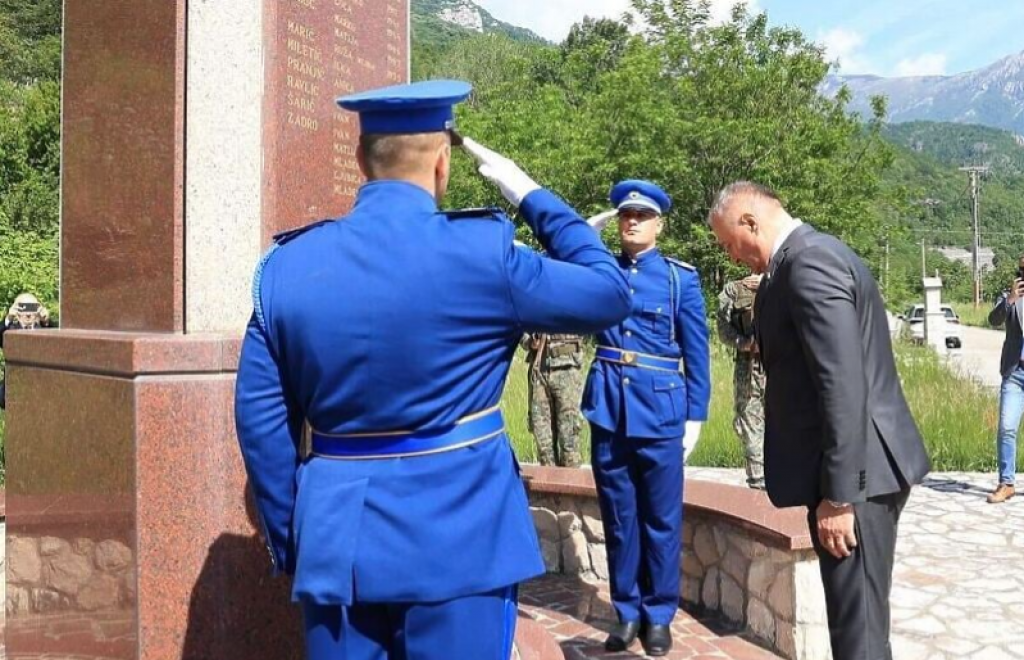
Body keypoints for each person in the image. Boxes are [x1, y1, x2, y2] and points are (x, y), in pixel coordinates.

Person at [233, 80, 632, 660]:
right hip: (462, 534)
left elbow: (260, 422)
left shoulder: (285, 267)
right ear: (443, 163)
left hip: (338, 537)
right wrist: (531, 195)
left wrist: (299, 534)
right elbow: (609, 292)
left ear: (359, 158)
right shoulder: (484, 255)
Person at [707, 181, 931, 660]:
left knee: (860, 637)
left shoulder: (808, 263)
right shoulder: (794, 263)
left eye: (730, 243)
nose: (733, 256)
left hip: (860, 480)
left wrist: (838, 496)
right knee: (857, 627)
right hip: (855, 474)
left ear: (750, 221)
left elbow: (842, 384)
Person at [581, 180, 711, 657]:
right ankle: (626, 612)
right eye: (624, 215)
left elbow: (697, 353)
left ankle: (659, 614)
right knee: (619, 518)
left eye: (641, 215)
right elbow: (561, 272)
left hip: (661, 414)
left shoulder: (680, 279)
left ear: (659, 223)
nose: (632, 222)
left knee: (660, 518)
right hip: (610, 411)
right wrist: (581, 231)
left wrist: (696, 414)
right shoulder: (602, 270)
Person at [716, 274, 766, 489]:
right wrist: (745, 343)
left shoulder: (788, 280)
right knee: (748, 424)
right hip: (749, 369)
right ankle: (757, 482)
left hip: (785, 367)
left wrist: (768, 282)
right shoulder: (733, 290)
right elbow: (723, 328)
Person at [985, 253, 1024, 503]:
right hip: (1015, 373)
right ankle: (1006, 482)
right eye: (1022, 269)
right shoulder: (1010, 295)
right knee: (1007, 427)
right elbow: (993, 320)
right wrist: (1010, 299)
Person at [522, 332, 585, 467]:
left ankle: (571, 486)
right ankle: (548, 486)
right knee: (543, 444)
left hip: (567, 367)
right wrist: (529, 342)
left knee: (569, 441)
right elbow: (517, 322)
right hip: (539, 369)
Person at [0, 293, 52, 410]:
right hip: (15, 389)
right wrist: (8, 318)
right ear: (17, 312)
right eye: (24, 308)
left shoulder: (46, 330)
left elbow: (61, 344)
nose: (28, 314)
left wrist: (46, 321)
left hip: (41, 390)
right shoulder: (9, 330)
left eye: (32, 308)